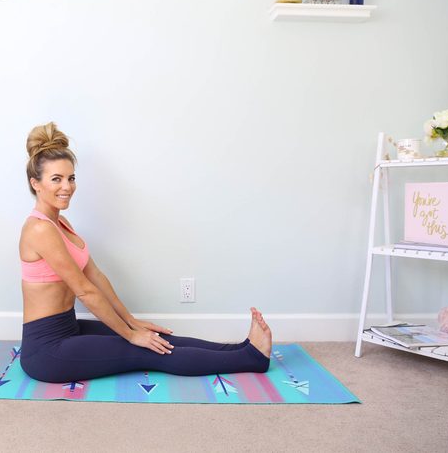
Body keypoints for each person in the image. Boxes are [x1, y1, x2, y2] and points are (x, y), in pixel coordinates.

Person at [19, 122, 272, 383]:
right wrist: (130, 334)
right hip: (46, 350)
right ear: (35, 183)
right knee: (146, 349)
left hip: (69, 328)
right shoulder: (39, 230)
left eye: (71, 178)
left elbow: (94, 275)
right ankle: (251, 359)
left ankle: (243, 348)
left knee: (158, 339)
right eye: (56, 179)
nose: (67, 187)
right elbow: (85, 290)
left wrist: (130, 320)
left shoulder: (61, 224)